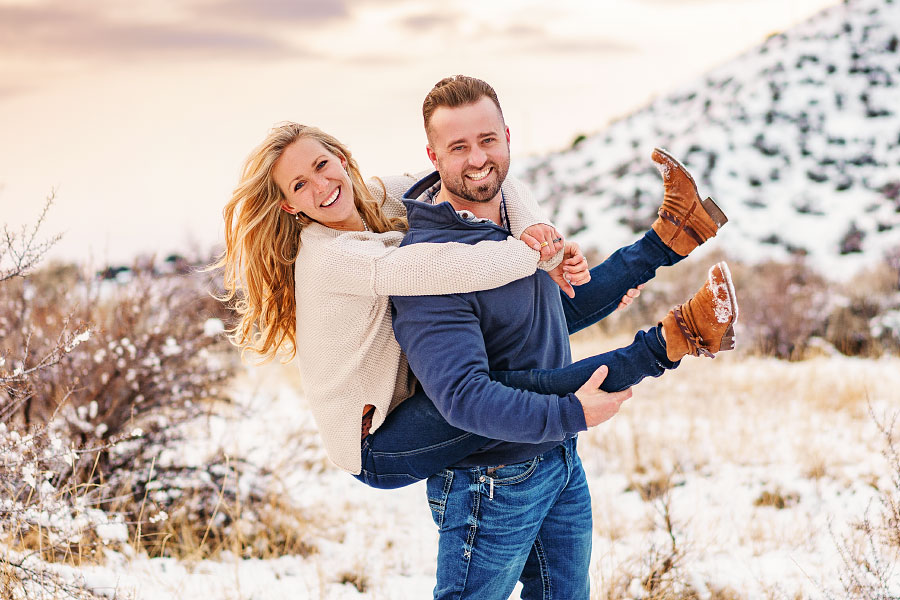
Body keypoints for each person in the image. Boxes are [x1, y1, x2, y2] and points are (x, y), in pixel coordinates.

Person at [214, 113, 734, 492]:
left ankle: (674, 235)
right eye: (300, 185)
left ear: (342, 158)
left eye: (323, 165)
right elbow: (440, 267)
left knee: (535, 305)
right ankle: (673, 341)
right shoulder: (328, 257)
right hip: (380, 442)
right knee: (503, 363)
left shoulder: (380, 195)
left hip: (420, 380)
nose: (321, 186)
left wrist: (534, 234)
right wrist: (539, 255)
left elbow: (494, 185)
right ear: (288, 204)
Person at [390, 75, 738, 599]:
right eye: (458, 147)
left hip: (557, 459)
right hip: (490, 478)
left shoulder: (514, 220)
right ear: (432, 154)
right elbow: (463, 396)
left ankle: (676, 234)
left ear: (508, 135)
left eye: (487, 140)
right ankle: (679, 333)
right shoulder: (428, 264)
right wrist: (571, 414)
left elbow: (544, 317)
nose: (478, 158)